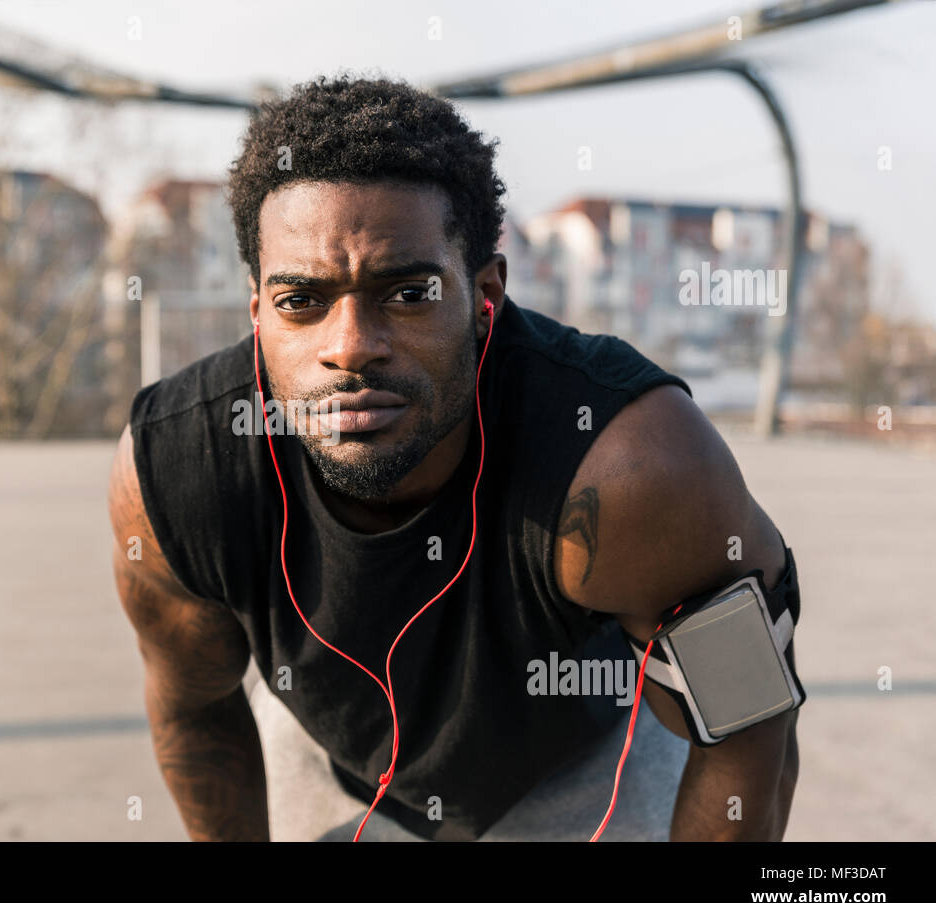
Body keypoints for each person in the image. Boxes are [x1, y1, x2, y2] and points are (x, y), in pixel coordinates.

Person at [108, 73, 799, 842]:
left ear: (484, 297)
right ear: (258, 310)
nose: (349, 348)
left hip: (594, 762)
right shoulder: (179, 469)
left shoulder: (632, 467)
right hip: (331, 764)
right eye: (301, 300)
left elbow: (747, 725)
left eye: (407, 293)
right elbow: (194, 705)